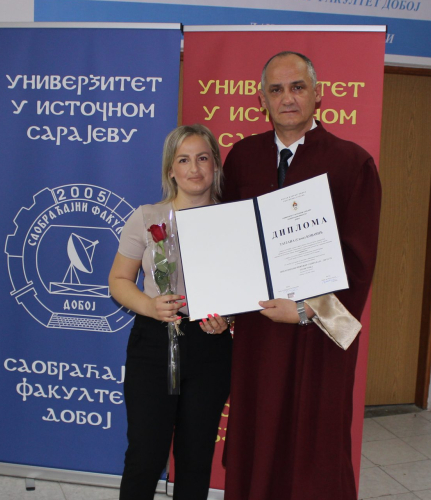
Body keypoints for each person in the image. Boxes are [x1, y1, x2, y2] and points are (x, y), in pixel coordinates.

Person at [220, 52, 382, 500]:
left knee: (315, 442)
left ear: (317, 94)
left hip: (320, 335)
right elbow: (228, 240)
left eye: (297, 87)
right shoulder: (243, 158)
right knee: (258, 431)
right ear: (262, 100)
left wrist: (308, 310)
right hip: (258, 330)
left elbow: (360, 262)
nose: (287, 98)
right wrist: (221, 305)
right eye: (276, 90)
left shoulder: (352, 163)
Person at [108, 124, 232, 500]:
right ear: (170, 170)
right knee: (145, 455)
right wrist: (149, 305)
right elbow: (118, 281)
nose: (194, 168)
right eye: (183, 160)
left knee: (196, 457)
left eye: (202, 158)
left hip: (210, 347)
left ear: (215, 165)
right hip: (153, 343)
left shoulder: (234, 220)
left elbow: (245, 288)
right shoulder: (147, 217)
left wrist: (228, 319)